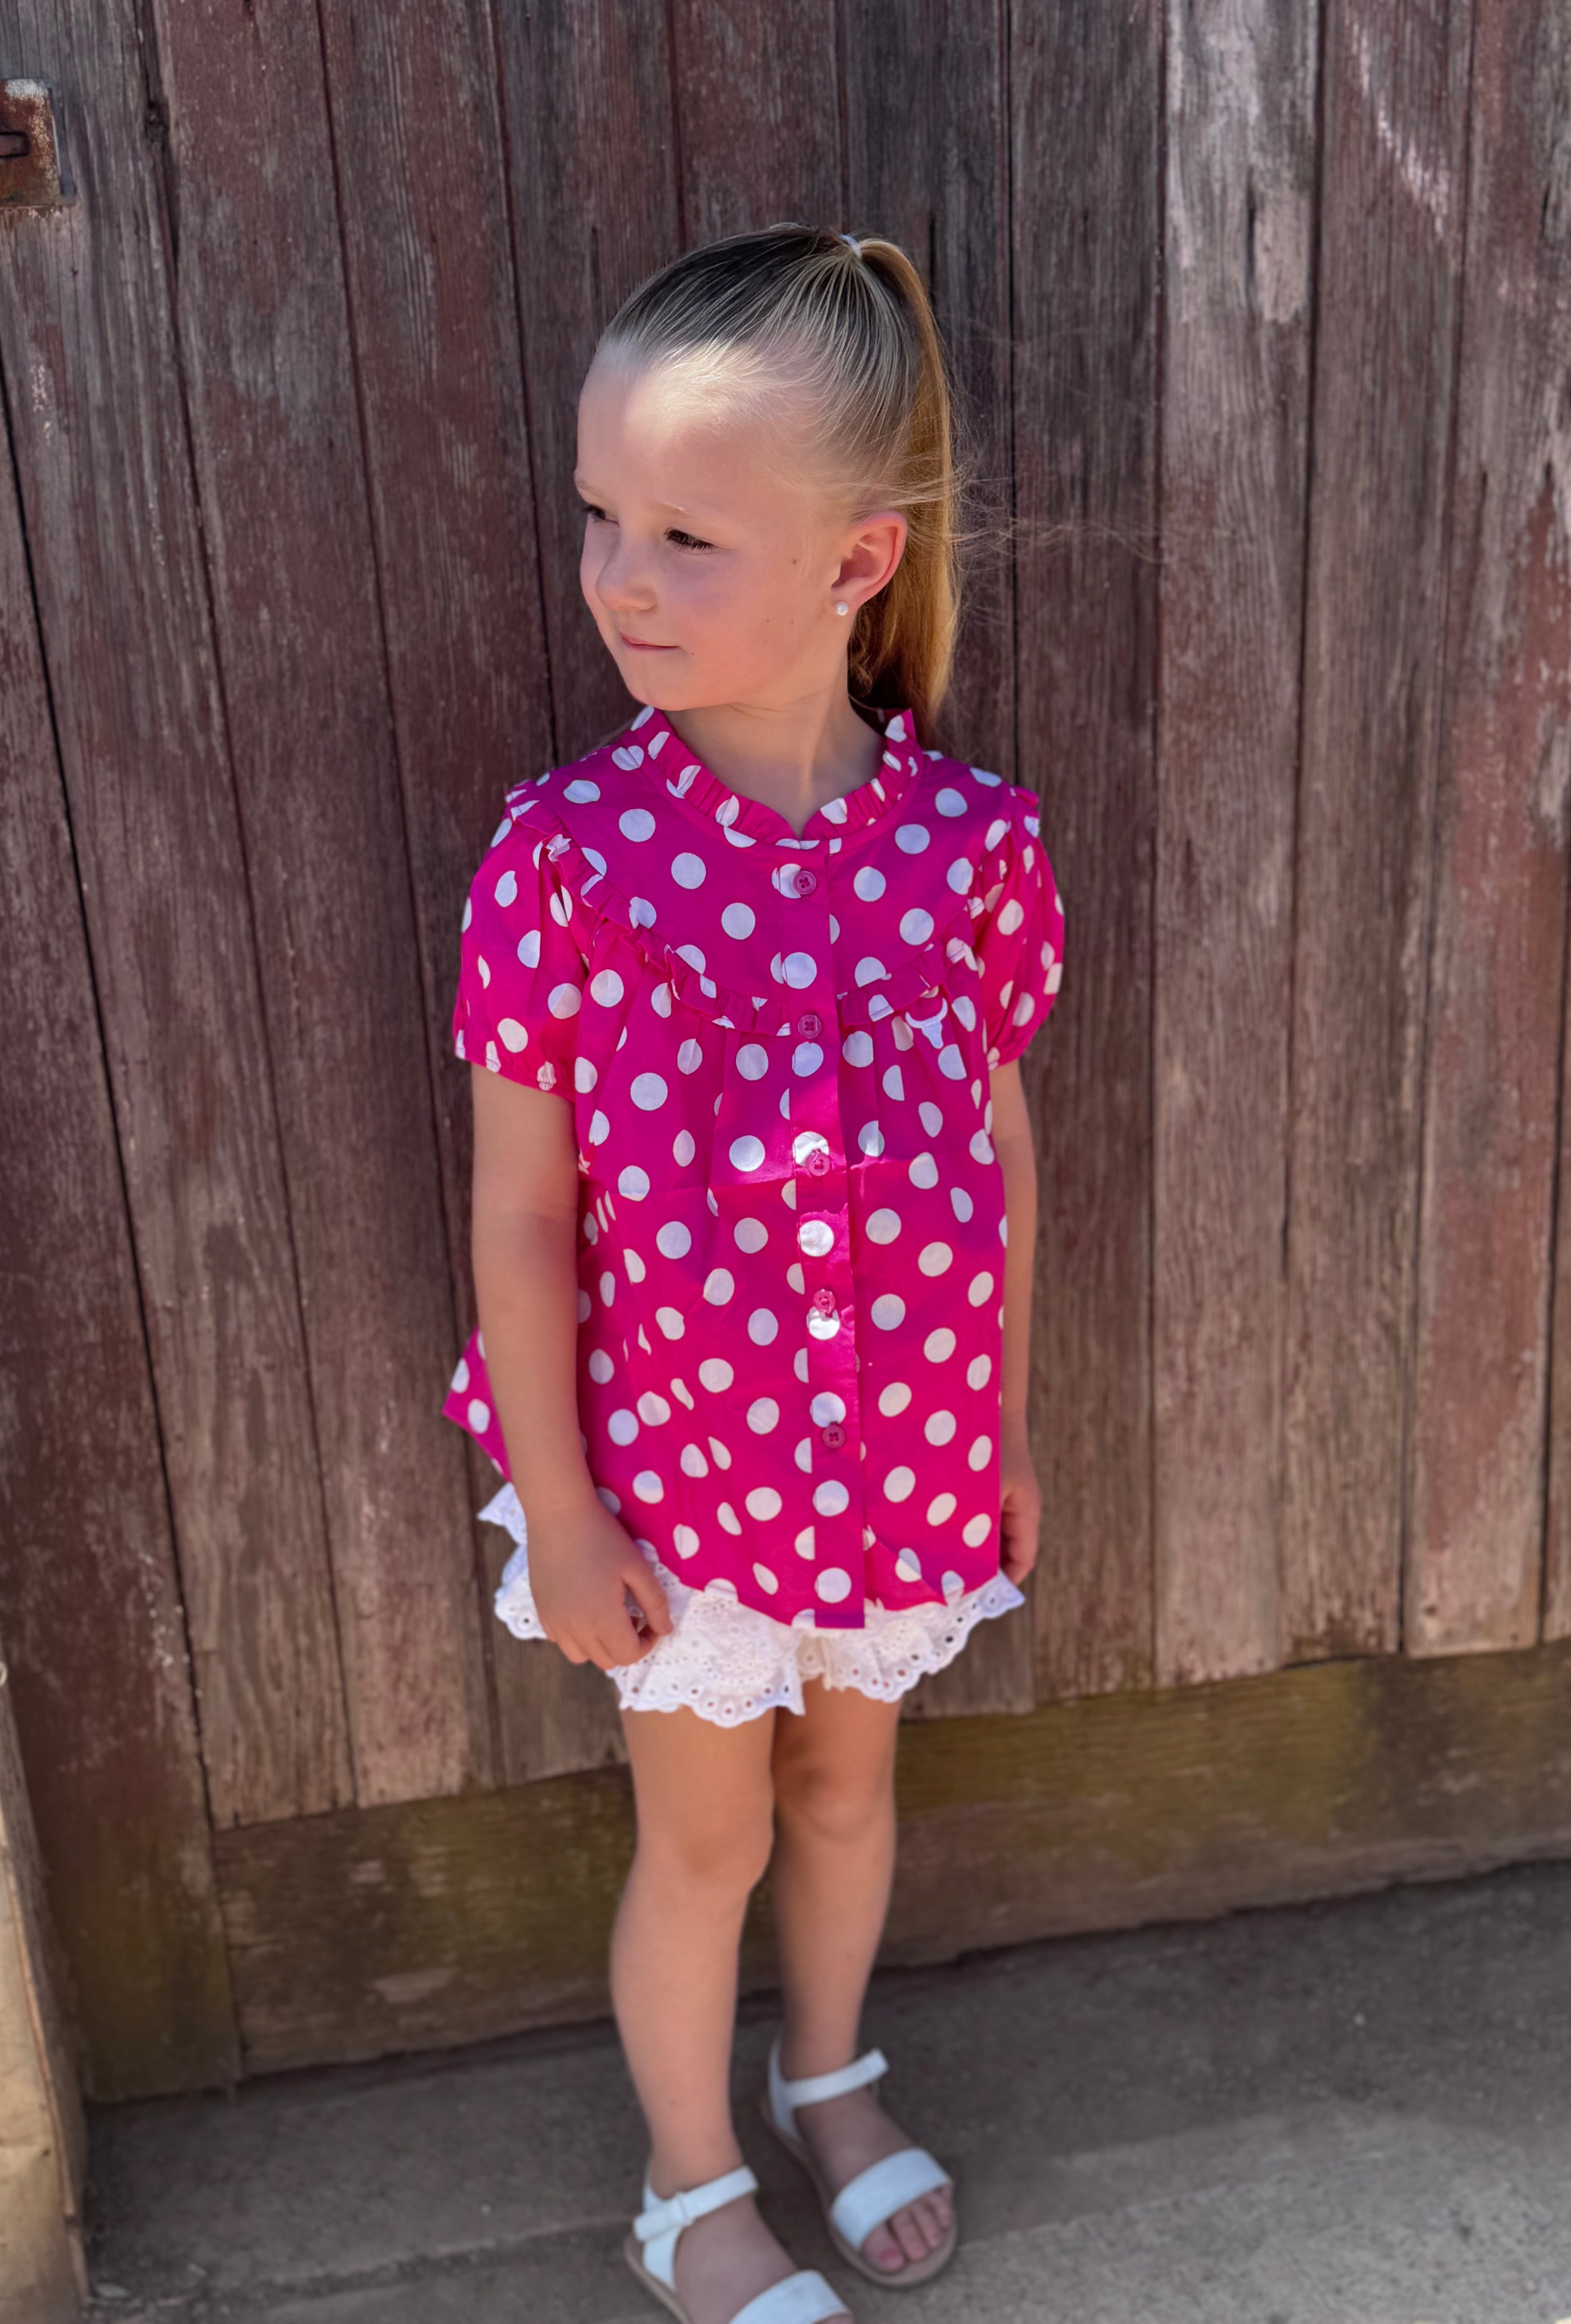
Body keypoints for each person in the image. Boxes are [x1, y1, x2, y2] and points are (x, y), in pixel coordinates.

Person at [442, 223, 1065, 2324]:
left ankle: (831, 2079)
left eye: (688, 535)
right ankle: (689, 2183)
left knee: (850, 1790)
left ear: (858, 562)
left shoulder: (966, 848)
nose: (619, 577)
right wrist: (560, 1502)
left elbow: (998, 1151)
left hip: (899, 1459)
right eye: (601, 515)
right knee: (704, 1839)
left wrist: (1000, 1432)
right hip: (680, 1483)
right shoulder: (567, 862)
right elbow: (523, 1217)